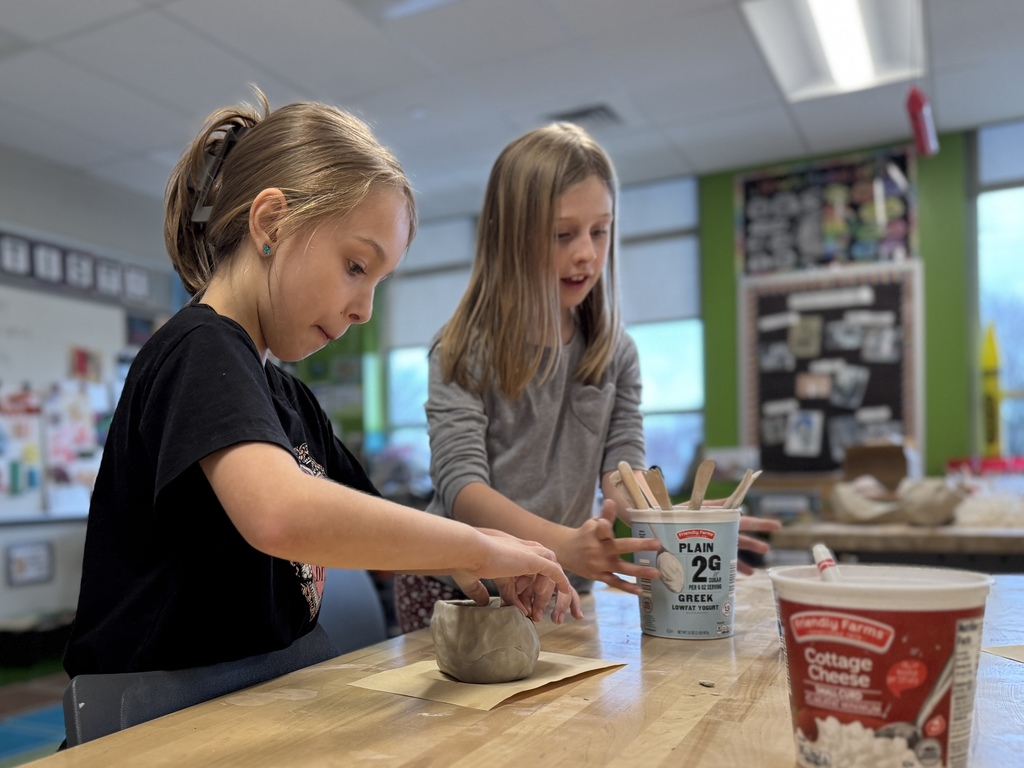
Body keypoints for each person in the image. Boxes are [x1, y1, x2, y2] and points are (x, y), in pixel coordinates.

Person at [62, 89, 581, 680]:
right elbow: (282, 513)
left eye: (379, 280)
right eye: (357, 266)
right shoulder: (200, 349)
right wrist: (475, 548)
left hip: (264, 695)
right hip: (156, 718)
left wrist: (466, 550)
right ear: (272, 223)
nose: (365, 310)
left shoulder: (287, 398)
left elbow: (370, 525)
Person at [394, 122, 780, 632]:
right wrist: (564, 543)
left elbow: (623, 471)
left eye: (600, 231)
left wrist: (673, 517)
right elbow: (463, 492)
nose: (587, 253)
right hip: (459, 590)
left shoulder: (613, 351)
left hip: (559, 585)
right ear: (509, 237)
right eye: (563, 234)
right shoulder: (462, 349)